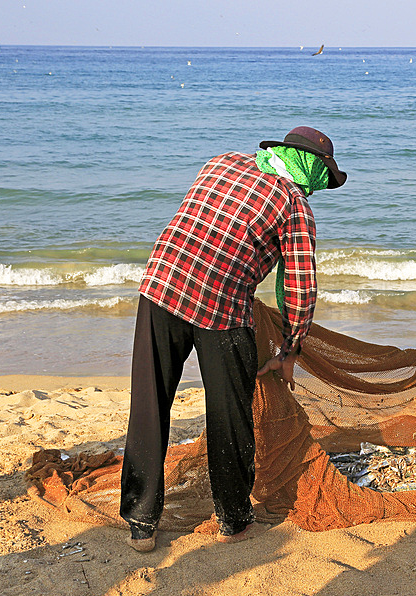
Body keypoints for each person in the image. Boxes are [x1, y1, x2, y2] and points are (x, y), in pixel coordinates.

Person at [119, 127, 347, 552]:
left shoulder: (221, 161)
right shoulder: (294, 205)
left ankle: (140, 522)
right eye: (322, 175)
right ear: (312, 168)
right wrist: (290, 348)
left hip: (160, 287)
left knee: (149, 405)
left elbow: (199, 226)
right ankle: (233, 519)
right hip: (221, 308)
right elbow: (299, 286)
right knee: (229, 414)